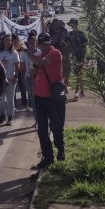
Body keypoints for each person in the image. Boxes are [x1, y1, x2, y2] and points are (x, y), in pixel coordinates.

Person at [31, 33, 66, 172]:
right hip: (39, 98)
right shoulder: (39, 57)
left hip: (53, 98)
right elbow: (35, 72)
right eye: (41, 44)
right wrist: (33, 73)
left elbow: (41, 63)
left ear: (50, 43)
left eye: (45, 43)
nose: (43, 45)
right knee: (42, 130)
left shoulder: (55, 53)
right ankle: (48, 157)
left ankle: (61, 149)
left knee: (56, 126)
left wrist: (25, 50)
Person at [0, 33, 20, 126]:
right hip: (0, 80)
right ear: (3, 41)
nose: (8, 42)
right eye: (6, 40)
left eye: (10, 40)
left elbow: (17, 66)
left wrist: (15, 77)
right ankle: (2, 115)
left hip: (11, 79)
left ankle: (10, 117)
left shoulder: (14, 53)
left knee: (10, 99)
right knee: (1, 99)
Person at [65, 19, 88, 99]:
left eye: (72, 25)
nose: (71, 26)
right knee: (78, 74)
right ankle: (81, 91)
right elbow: (67, 45)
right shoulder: (71, 34)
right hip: (75, 56)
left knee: (78, 74)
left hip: (78, 56)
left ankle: (78, 92)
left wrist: (83, 56)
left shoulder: (80, 34)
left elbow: (85, 46)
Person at [21, 35, 39, 118]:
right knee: (32, 99)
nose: (32, 44)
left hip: (38, 79)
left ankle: (39, 117)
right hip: (28, 78)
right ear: (27, 43)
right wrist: (23, 78)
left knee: (38, 99)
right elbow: (23, 67)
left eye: (33, 42)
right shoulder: (24, 53)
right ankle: (36, 117)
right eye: (30, 42)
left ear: (36, 42)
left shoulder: (40, 52)